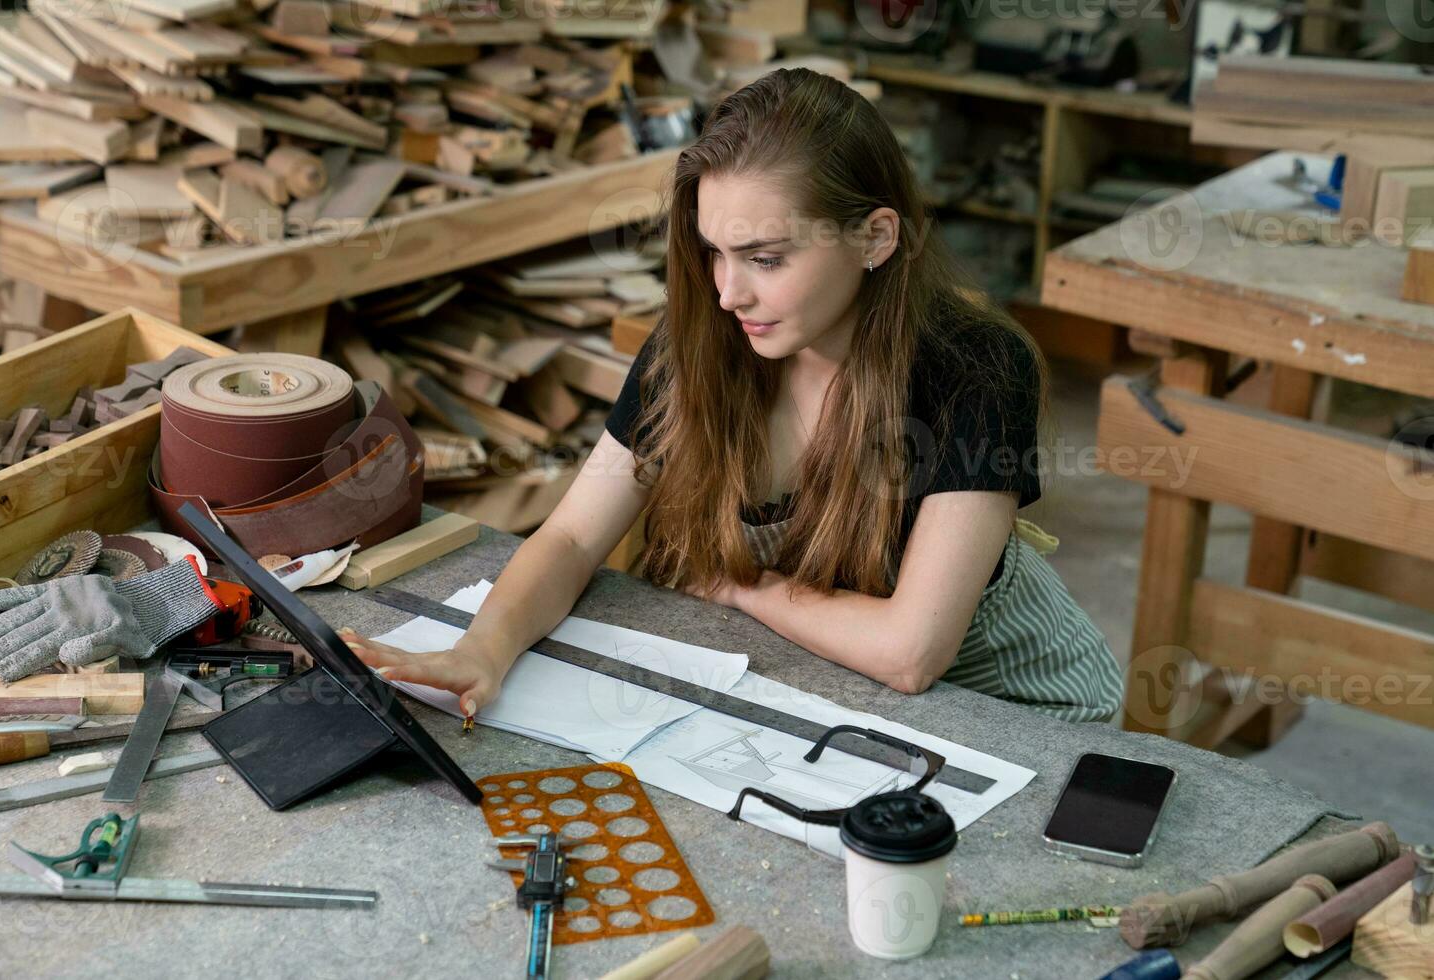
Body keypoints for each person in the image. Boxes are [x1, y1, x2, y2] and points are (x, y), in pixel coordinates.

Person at [340, 68, 1121, 724]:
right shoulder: (699, 348)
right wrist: (484, 649)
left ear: (876, 238)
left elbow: (910, 654)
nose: (727, 294)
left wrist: (737, 584)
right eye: (714, 253)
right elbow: (575, 539)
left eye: (766, 258)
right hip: (845, 692)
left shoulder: (975, 370)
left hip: (1022, 711)